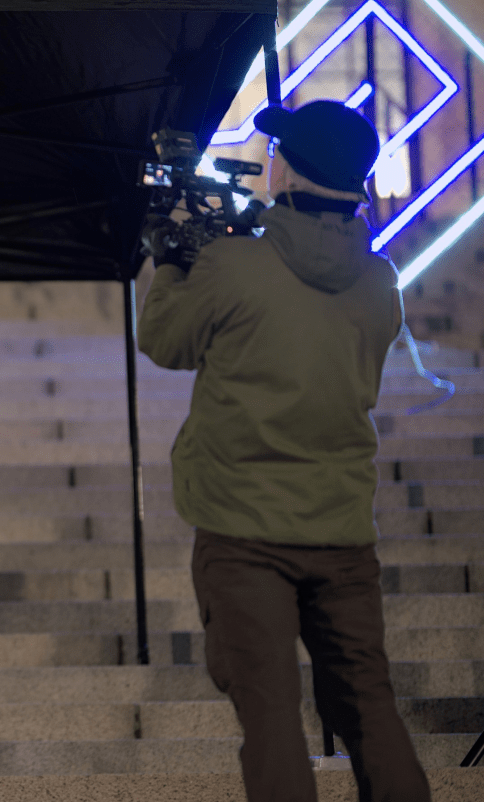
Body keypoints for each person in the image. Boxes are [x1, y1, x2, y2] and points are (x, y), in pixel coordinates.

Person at [137, 100, 429, 802]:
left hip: (243, 531)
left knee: (270, 716)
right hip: (343, 529)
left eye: (275, 154)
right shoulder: (380, 283)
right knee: (369, 708)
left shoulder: (235, 264)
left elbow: (166, 342)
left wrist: (172, 262)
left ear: (289, 171)